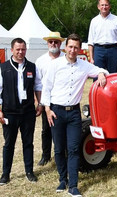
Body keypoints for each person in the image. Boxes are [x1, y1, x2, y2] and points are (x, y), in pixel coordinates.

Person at [41, 34, 109, 196]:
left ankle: (73, 185)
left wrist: (100, 74)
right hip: (56, 112)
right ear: (65, 47)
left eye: (76, 47)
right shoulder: (55, 64)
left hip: (74, 115)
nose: (72, 50)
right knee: (58, 149)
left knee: (73, 149)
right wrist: (47, 110)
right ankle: (62, 179)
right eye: (70, 47)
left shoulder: (84, 66)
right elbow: (46, 87)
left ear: (80, 49)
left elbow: (102, 70)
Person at [0, 38, 42, 185]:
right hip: (9, 113)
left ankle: (29, 172)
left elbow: (37, 86)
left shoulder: (32, 66)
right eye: (17, 49)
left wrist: (40, 103)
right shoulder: (3, 68)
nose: (20, 52)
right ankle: (5, 174)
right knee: (9, 144)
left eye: (23, 49)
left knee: (28, 143)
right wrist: (0, 111)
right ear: (12, 50)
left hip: (28, 112)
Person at [35, 32, 65, 166]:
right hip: (47, 100)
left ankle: (64, 153)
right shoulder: (40, 61)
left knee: (63, 129)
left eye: (56, 42)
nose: (53, 44)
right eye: (51, 41)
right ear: (47, 43)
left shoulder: (66, 58)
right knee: (46, 129)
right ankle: (45, 155)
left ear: (60, 43)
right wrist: (40, 102)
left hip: (63, 99)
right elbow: (38, 84)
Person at [88, 0, 117, 73]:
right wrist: (91, 58)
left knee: (114, 76)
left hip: (113, 50)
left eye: (106, 5)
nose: (104, 7)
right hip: (98, 51)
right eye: (102, 5)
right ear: (98, 7)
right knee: (97, 75)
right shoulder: (94, 21)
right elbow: (90, 41)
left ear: (109, 6)